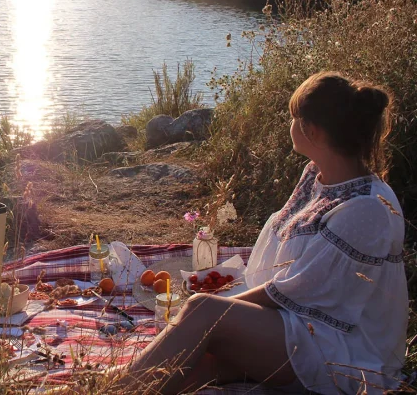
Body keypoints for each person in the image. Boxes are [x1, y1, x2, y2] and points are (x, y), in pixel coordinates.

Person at [119, 72, 407, 394]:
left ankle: (112, 390)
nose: (291, 124)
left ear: (311, 130)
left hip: (339, 348)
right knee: (200, 364)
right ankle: (116, 387)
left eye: (294, 118)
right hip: (297, 326)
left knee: (202, 310)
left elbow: (297, 290)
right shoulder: (316, 174)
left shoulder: (367, 208)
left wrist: (218, 305)